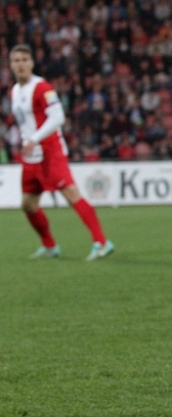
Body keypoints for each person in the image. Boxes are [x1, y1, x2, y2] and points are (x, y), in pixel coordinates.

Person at [8, 44, 115, 261]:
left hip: (50, 152)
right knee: (28, 204)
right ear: (10, 65)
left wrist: (34, 139)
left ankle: (102, 242)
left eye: (24, 60)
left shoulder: (42, 88)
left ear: (32, 63)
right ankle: (50, 246)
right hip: (31, 157)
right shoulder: (15, 91)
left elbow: (58, 117)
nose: (20, 64)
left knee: (71, 194)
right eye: (16, 60)